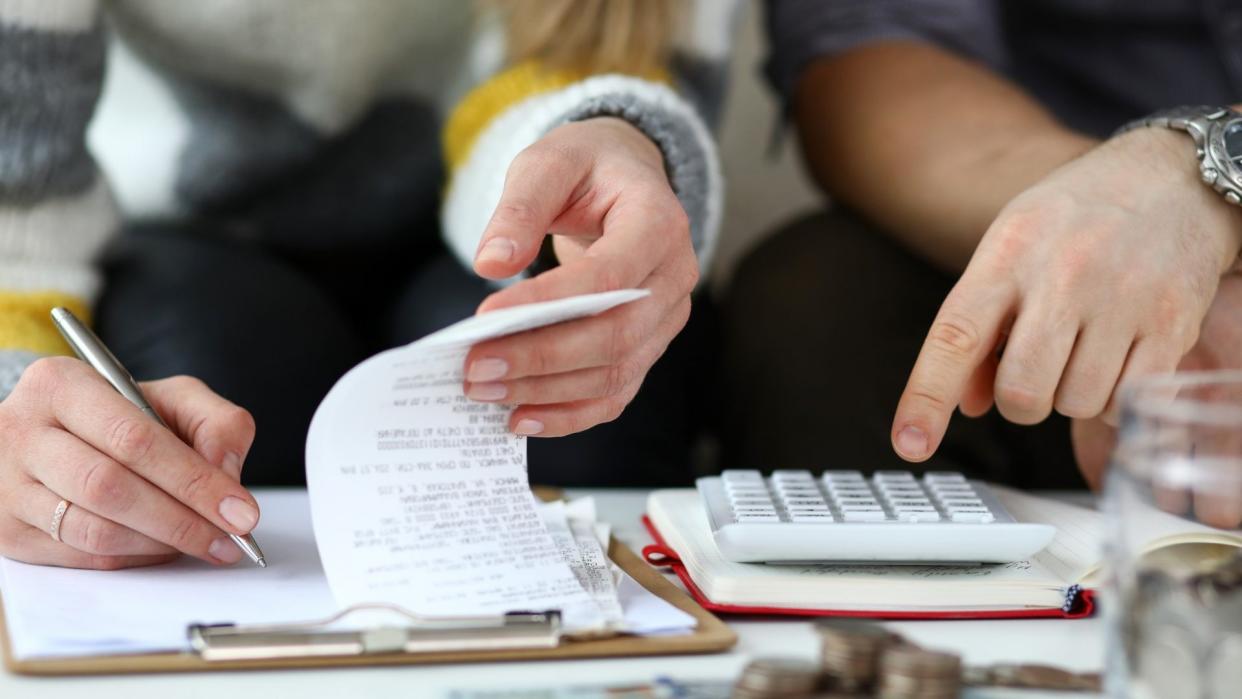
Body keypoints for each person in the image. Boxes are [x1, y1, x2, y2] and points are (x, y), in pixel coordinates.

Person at [0, 0, 738, 569]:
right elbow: (17, 185)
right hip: (190, 229)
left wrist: (618, 142)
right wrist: (14, 399)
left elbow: (613, 68)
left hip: (502, 205)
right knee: (213, 372)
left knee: (570, 404)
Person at [721, 1, 1242, 492]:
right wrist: (1126, 229)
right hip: (1027, 180)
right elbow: (876, 62)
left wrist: (1201, 223)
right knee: (823, 295)